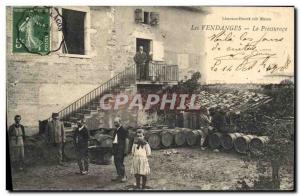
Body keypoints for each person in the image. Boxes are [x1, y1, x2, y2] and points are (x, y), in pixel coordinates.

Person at [111, 117, 129, 182]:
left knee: (120, 163)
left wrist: (126, 151)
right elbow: (114, 140)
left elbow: (127, 141)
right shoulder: (115, 130)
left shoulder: (124, 130)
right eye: (114, 122)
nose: (115, 123)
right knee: (116, 162)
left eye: (116, 122)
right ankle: (119, 175)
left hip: (121, 149)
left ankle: (124, 176)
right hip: (115, 149)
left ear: (120, 122)